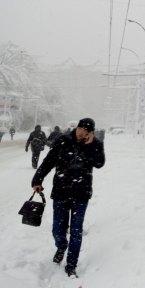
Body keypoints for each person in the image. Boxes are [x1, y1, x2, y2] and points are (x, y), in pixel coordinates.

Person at [31, 118, 105, 278]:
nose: (81, 132)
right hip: (61, 191)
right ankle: (61, 245)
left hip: (81, 193)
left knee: (76, 231)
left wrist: (90, 146)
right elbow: (49, 161)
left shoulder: (96, 144)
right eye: (79, 128)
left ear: (90, 132)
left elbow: (99, 163)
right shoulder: (63, 140)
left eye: (85, 130)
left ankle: (71, 265)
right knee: (58, 229)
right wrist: (37, 179)